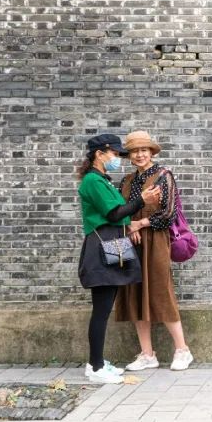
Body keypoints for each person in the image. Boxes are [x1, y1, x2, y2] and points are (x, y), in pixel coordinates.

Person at [77, 134, 160, 384]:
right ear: (100, 154)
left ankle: (98, 363)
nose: (116, 158)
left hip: (114, 243)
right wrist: (141, 201)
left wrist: (132, 219)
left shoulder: (103, 179)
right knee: (101, 309)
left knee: (106, 304)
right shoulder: (93, 180)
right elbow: (113, 213)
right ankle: (95, 366)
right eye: (113, 153)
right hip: (103, 245)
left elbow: (119, 216)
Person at [115, 131, 193, 372]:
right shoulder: (126, 181)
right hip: (130, 242)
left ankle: (182, 350)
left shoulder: (163, 176)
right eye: (135, 151)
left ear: (151, 152)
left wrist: (141, 223)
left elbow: (168, 214)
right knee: (134, 293)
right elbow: (119, 210)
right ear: (129, 155)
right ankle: (147, 354)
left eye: (144, 150)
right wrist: (129, 226)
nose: (139, 154)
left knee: (161, 292)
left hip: (156, 240)